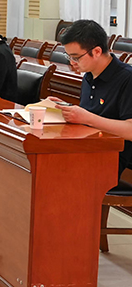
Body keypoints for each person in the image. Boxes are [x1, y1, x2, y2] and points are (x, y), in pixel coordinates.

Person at [55, 20, 132, 181]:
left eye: (76, 57)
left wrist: (87, 118)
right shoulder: (89, 76)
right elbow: (89, 114)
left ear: (96, 51)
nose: (72, 63)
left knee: (55, 173)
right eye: (69, 57)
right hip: (86, 147)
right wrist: (62, 107)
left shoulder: (127, 79)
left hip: (110, 157)